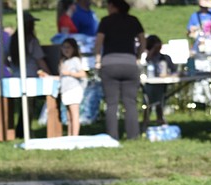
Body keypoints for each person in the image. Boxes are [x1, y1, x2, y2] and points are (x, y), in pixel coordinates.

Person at [94, 0, 145, 141]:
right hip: (129, 64)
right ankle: (133, 136)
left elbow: (98, 43)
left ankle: (112, 136)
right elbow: (143, 41)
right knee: (130, 103)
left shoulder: (105, 21)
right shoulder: (133, 20)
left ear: (113, 6)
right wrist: (138, 56)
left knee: (112, 103)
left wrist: (98, 60)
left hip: (110, 64)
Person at [7, 12, 50, 138]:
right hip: (30, 78)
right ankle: (24, 130)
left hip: (16, 76)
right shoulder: (31, 40)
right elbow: (39, 59)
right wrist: (49, 73)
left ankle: (20, 129)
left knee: (21, 106)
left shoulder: (12, 39)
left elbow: (4, 59)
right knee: (28, 107)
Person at [143, 35, 176, 127]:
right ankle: (148, 120)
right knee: (149, 97)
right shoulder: (148, 58)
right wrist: (152, 51)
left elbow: (174, 71)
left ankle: (160, 118)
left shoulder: (165, 58)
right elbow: (146, 61)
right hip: (150, 84)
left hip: (163, 84)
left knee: (160, 97)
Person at [59, 37, 87, 136]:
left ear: (74, 49)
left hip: (74, 89)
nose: (66, 50)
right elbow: (61, 77)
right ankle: (70, 135)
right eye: (64, 47)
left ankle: (75, 136)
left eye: (68, 47)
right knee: (68, 116)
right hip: (65, 90)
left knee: (74, 114)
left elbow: (83, 74)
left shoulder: (75, 60)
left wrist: (69, 73)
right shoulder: (63, 61)